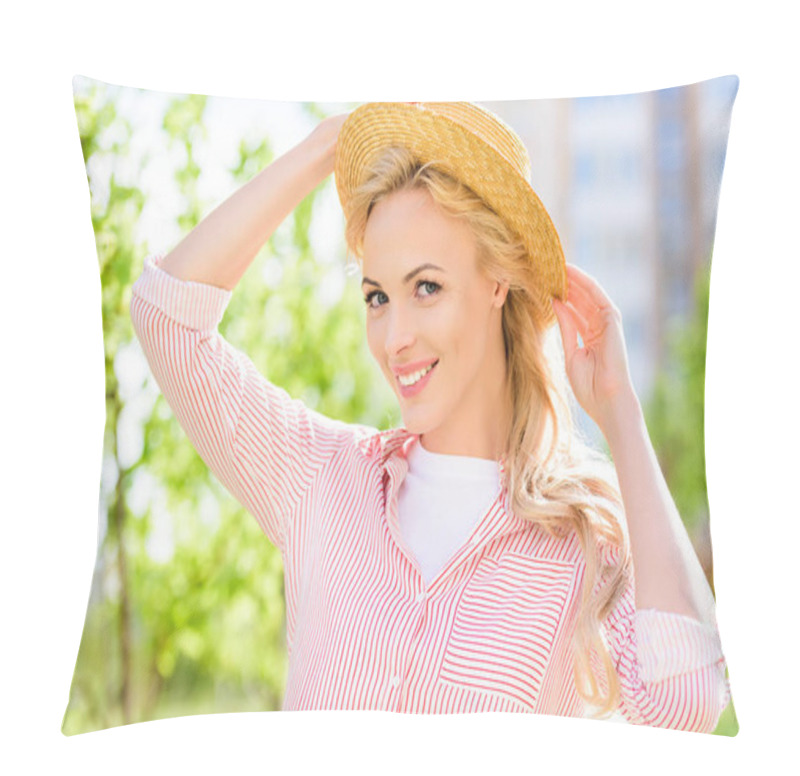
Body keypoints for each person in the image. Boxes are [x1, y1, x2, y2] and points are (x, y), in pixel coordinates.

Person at [130, 101, 731, 731]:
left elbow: (685, 705)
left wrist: (620, 414)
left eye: (426, 288)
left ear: (498, 281)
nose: (394, 338)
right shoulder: (321, 479)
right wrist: (324, 149)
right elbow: (165, 317)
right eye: (377, 298)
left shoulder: (581, 541)